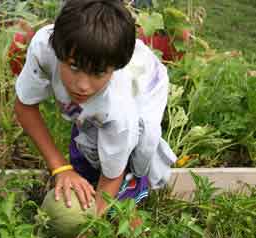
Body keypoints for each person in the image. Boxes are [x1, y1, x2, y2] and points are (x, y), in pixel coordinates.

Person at [14, 0, 176, 217]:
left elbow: (112, 174)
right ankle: (87, 176)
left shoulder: (120, 107)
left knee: (122, 180)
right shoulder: (45, 47)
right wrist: (61, 168)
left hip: (145, 89)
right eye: (73, 67)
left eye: (97, 73)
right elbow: (25, 106)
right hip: (102, 102)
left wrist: (91, 223)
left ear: (114, 69)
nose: (82, 85)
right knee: (86, 134)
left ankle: (132, 214)